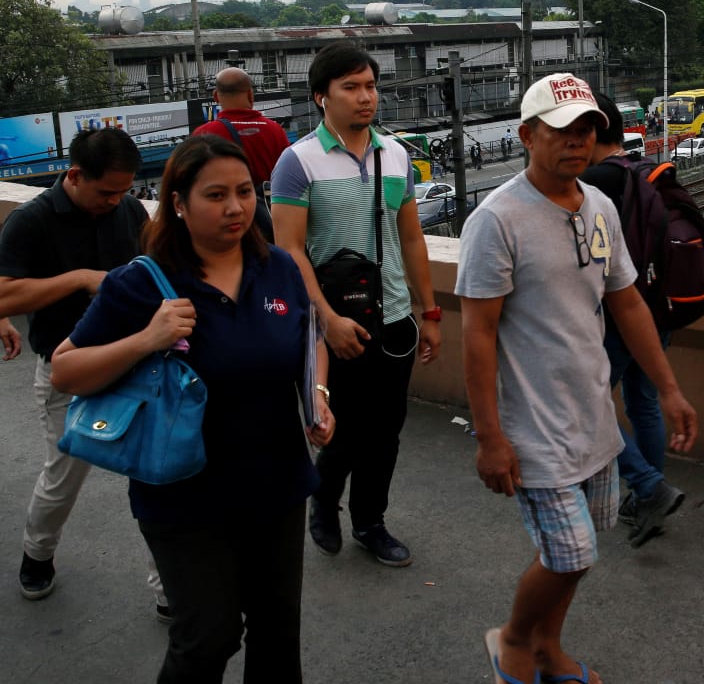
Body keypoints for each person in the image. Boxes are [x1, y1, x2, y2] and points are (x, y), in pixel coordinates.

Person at [49, 135, 334, 682]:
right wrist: (145, 340)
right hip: (183, 491)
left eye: (246, 192)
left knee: (278, 631)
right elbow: (66, 369)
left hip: (275, 482)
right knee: (208, 634)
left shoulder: (276, 265)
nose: (235, 208)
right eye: (216, 195)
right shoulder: (143, 281)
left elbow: (309, 337)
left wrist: (318, 396)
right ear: (177, 202)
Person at [456, 73, 697, 684]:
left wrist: (668, 388)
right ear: (526, 136)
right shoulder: (497, 219)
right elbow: (478, 335)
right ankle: (512, 639)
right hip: (531, 427)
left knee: (578, 554)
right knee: (571, 551)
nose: (578, 141)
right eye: (562, 130)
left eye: (588, 129)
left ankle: (546, 646)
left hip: (593, 418)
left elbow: (628, 303)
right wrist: (490, 438)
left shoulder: (600, 206)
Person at [272, 41, 442, 568]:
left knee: (386, 430)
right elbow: (289, 251)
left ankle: (370, 521)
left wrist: (428, 311)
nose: (365, 97)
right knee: (341, 428)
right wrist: (327, 318)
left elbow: (411, 239)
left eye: (370, 85)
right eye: (351, 87)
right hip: (336, 319)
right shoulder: (297, 162)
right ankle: (323, 499)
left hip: (392, 316)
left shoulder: (396, 155)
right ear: (322, 96)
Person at [0, 128, 167, 610]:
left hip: (137, 365)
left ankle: (166, 587)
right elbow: (4, 295)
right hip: (66, 373)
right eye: (106, 192)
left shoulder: (131, 211)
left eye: (124, 191)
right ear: (74, 175)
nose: (117, 201)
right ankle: (38, 553)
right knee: (64, 475)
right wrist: (77, 280)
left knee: (156, 476)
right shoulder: (30, 221)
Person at [579, 92, 686, 548]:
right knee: (643, 403)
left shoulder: (595, 180)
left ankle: (647, 486)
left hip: (621, 312)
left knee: (585, 404)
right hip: (659, 306)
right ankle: (648, 496)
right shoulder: (643, 170)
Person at [191, 66, 291, 242]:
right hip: (270, 228)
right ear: (251, 95)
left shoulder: (203, 135)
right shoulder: (275, 131)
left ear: (215, 96)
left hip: (224, 231)